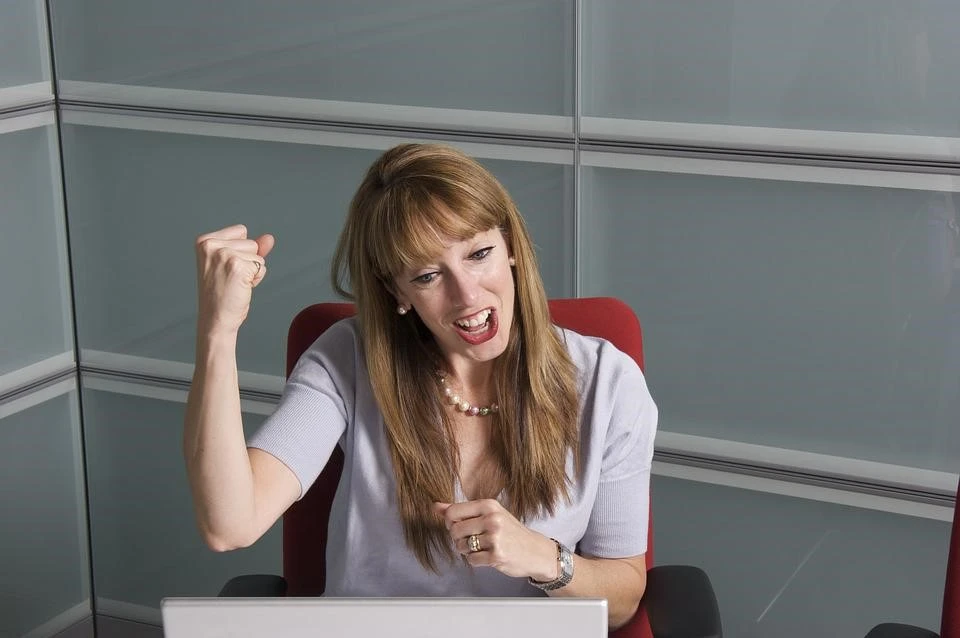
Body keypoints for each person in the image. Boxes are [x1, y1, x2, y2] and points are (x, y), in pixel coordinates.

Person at [184, 143, 657, 629]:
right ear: (397, 292)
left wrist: (544, 559)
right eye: (428, 275)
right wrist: (217, 330)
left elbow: (622, 598)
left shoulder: (608, 383)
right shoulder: (348, 358)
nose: (467, 295)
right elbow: (229, 524)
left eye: (479, 253)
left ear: (511, 245)